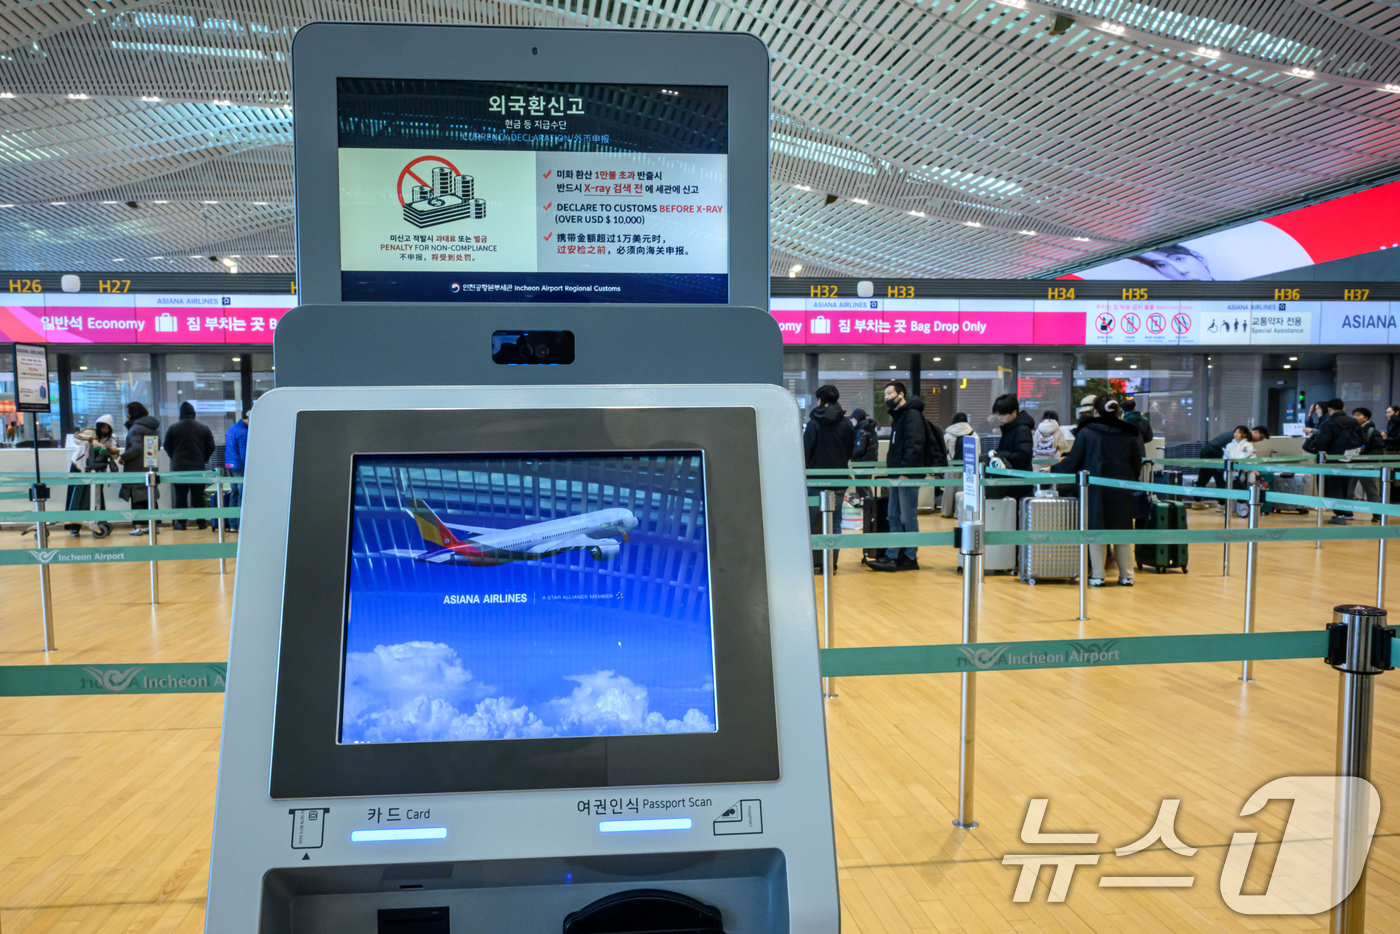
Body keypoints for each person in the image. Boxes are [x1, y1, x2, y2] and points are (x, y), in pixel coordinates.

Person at [1050, 396, 1144, 586]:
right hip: (1122, 486)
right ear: (1117, 411)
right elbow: (1137, 462)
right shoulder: (1130, 432)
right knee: (1123, 530)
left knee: (1096, 528)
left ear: (1096, 411)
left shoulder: (1087, 432)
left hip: (1095, 488)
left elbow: (1072, 462)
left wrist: (1051, 469)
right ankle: (1126, 575)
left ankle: (1098, 574)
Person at [868, 381, 925, 572]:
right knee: (893, 515)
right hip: (896, 474)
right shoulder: (899, 417)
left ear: (901, 394)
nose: (886, 398)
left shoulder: (912, 415)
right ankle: (891, 556)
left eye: (889, 394)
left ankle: (910, 557)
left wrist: (906, 472)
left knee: (908, 516)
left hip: (907, 475)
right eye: (885, 394)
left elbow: (914, 445)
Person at [804, 385, 855, 573]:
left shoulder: (813, 423)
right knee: (835, 522)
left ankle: (809, 561)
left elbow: (806, 450)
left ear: (819, 400)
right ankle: (831, 563)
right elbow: (851, 450)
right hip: (839, 479)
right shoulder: (847, 423)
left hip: (816, 479)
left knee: (810, 521)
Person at [1303, 399, 1362, 524]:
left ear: (1329, 410)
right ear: (1343, 408)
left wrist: (1321, 456)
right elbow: (1363, 439)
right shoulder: (1354, 422)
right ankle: (1347, 512)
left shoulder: (1329, 423)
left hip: (1333, 459)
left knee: (1333, 487)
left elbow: (1323, 443)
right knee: (1346, 486)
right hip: (1351, 459)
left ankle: (1339, 515)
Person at [164, 401, 216, 530]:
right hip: (198, 466)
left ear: (181, 414)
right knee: (198, 495)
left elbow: (166, 446)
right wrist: (204, 458)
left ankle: (181, 523)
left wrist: (174, 457)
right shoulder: (204, 428)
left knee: (180, 495)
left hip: (179, 467)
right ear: (194, 413)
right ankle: (201, 523)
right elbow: (211, 447)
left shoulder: (173, 428)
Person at [64, 415, 118, 535]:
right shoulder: (89, 432)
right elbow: (76, 437)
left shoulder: (110, 439)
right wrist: (91, 440)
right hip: (79, 467)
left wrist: (109, 449)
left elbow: (115, 454)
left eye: (107, 428)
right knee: (76, 496)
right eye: (102, 427)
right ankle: (74, 526)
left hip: (96, 471)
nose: (105, 430)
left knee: (97, 497)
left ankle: (100, 523)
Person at [119, 401, 161, 535]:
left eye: (128, 411)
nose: (126, 414)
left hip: (136, 469)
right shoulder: (153, 428)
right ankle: (155, 525)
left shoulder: (135, 429)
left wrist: (123, 457)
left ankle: (137, 527)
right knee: (150, 496)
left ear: (132, 413)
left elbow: (137, 448)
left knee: (136, 497)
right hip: (150, 467)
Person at [990, 394, 1035, 500]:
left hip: (1018, 483)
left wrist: (1000, 455)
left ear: (1014, 412)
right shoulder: (1010, 428)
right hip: (1012, 481)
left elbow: (1024, 456)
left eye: (1003, 414)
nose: (1000, 417)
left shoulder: (1021, 429)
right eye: (998, 414)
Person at [1352, 407, 1384, 521]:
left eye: (1358, 415)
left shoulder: (1372, 431)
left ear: (1366, 418)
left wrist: (1367, 459)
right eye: (1354, 415)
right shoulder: (1353, 429)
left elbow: (1379, 448)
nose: (1354, 417)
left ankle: (1377, 514)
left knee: (1371, 490)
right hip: (1352, 463)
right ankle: (1346, 513)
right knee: (1349, 490)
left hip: (1365, 465)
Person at [224, 409, 250, 532]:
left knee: (233, 495)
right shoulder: (244, 432)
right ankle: (241, 525)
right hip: (239, 467)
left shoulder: (232, 427)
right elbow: (244, 455)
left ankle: (232, 525)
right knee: (242, 496)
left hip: (229, 465)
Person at [849, 407, 878, 505]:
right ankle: (871, 510)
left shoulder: (861, 430)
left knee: (862, 488)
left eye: (852, 419)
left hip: (862, 463)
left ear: (856, 419)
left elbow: (859, 449)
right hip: (870, 461)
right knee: (867, 486)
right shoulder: (869, 429)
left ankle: (865, 510)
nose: (852, 421)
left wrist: (850, 456)